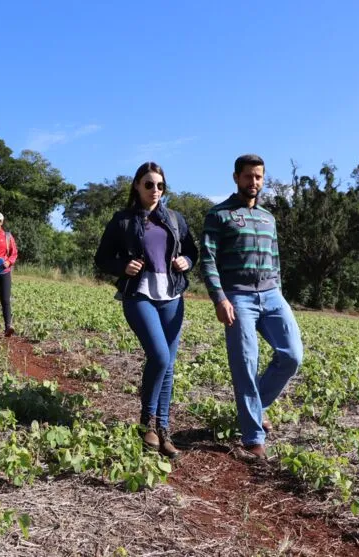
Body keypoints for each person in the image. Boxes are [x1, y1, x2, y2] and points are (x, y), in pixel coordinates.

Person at [200, 154, 303, 459]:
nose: (254, 182)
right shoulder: (219, 215)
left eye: (258, 177)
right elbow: (207, 260)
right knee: (246, 365)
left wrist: (279, 294)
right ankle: (253, 437)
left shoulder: (269, 218)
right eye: (248, 177)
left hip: (272, 295)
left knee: (292, 356)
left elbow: (276, 259)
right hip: (238, 297)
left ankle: (257, 407)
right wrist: (220, 298)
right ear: (236, 178)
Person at [94, 162, 198, 458]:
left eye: (160, 186)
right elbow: (102, 257)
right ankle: (146, 423)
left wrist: (186, 262)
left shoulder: (175, 219)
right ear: (137, 185)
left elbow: (192, 251)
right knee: (160, 356)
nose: (155, 191)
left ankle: (163, 430)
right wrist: (122, 266)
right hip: (139, 294)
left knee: (168, 366)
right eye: (149, 184)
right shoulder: (123, 220)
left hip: (172, 295)